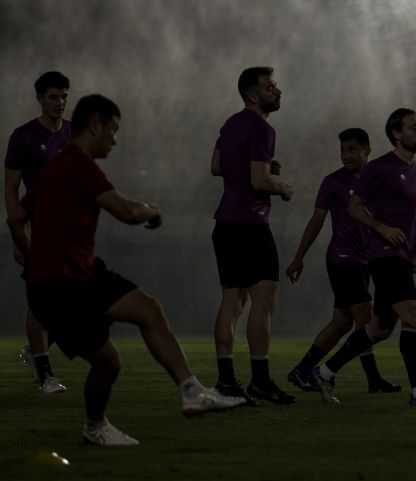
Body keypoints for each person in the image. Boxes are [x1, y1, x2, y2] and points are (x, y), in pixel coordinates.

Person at [9, 94, 245, 447]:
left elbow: (16, 216)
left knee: (148, 309)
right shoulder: (78, 164)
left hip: (81, 274)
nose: (115, 140)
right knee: (109, 363)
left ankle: (191, 391)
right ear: (95, 126)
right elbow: (126, 212)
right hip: (62, 287)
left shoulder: (57, 165)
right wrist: (151, 210)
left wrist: (29, 255)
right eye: (113, 131)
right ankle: (95, 427)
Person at [310, 108, 416, 406]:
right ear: (396, 134)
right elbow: (355, 208)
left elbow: (412, 217)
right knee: (413, 315)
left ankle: (325, 371)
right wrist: (381, 228)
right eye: (413, 128)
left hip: (402, 256)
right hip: (383, 255)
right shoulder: (379, 169)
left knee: (380, 328)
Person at [285, 128, 400, 394]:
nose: (345, 155)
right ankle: (372, 379)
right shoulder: (333, 182)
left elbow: (389, 220)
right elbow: (316, 221)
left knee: (341, 323)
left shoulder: (378, 181)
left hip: (365, 260)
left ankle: (302, 370)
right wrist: (299, 257)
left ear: (367, 150)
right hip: (343, 259)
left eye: (352, 150)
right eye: (342, 150)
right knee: (365, 319)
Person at [210, 66, 295, 405]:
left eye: (275, 84)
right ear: (251, 95)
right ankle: (260, 380)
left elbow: (217, 166)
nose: (276, 90)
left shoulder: (231, 124)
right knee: (263, 300)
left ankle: (226, 381)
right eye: (268, 86)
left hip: (225, 224)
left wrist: (256, 171)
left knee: (232, 301)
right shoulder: (262, 128)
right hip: (250, 223)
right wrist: (282, 186)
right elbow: (259, 182)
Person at [4, 71, 72, 393]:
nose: (60, 103)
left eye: (63, 97)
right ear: (40, 99)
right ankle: (45, 376)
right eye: (53, 97)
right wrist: (19, 232)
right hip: (37, 228)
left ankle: (36, 352)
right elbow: (11, 187)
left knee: (72, 301)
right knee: (39, 300)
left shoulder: (72, 134)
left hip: (70, 230)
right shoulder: (23, 136)